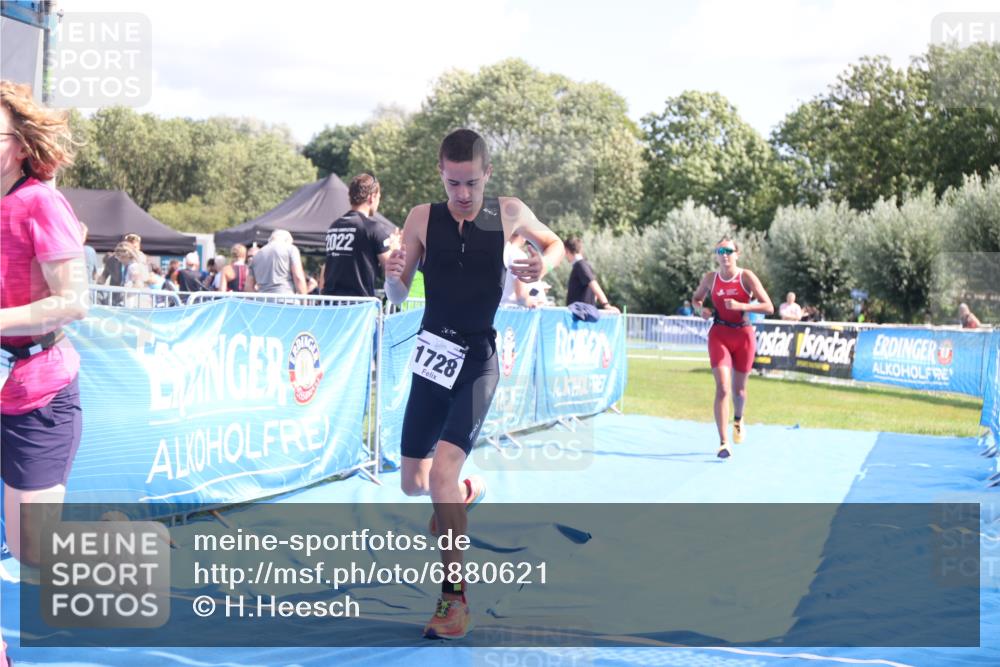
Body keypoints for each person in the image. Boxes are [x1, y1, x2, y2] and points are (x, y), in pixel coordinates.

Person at [384, 128, 563, 640]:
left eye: (471, 183)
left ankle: (454, 601)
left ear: (486, 173)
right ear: (440, 171)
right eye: (453, 182)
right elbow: (397, 294)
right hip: (432, 355)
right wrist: (394, 273)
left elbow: (552, 246)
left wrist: (538, 263)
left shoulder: (507, 213)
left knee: (439, 474)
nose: (462, 194)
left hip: (479, 359)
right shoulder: (421, 218)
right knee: (415, 484)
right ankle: (465, 492)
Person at [0, 80, 90, 666]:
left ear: (17, 144)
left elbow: (74, 300)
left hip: (38, 386)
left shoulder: (39, 202)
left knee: (31, 547)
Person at [692, 237, 773, 459]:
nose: (725, 254)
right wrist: (701, 311)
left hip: (743, 335)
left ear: (737, 254)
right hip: (719, 334)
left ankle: (738, 419)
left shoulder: (746, 277)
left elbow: (769, 306)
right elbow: (696, 299)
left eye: (729, 250)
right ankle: (723, 442)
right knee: (723, 388)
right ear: (716, 254)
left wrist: (742, 305)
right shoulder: (710, 278)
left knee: (739, 391)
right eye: (720, 250)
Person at [320, 172, 397, 298]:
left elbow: (327, 267)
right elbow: (391, 268)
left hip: (331, 304)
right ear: (372, 197)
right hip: (357, 308)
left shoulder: (334, 226)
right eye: (379, 198)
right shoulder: (373, 228)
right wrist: (394, 249)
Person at [563, 238, 619, 313]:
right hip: (581, 312)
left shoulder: (581, 265)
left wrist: (606, 305)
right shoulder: (583, 265)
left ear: (567, 250)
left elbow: (593, 284)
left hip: (581, 314)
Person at [245, 229, 307, 296]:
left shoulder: (256, 255)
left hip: (263, 301)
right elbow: (298, 277)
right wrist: (304, 301)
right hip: (286, 299)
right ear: (287, 240)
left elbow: (248, 286)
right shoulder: (291, 249)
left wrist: (258, 299)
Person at [499, 232, 544, 308]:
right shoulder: (518, 254)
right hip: (511, 312)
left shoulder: (497, 250)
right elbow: (521, 296)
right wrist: (535, 302)